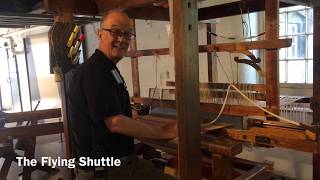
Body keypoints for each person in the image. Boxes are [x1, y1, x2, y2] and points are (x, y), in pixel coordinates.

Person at [68, 9, 177, 180]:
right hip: (106, 171)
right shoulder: (94, 71)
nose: (122, 39)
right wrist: (162, 132)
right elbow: (115, 123)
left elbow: (108, 113)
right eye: (116, 32)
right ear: (100, 34)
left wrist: (127, 112)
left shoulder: (108, 68)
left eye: (127, 35)